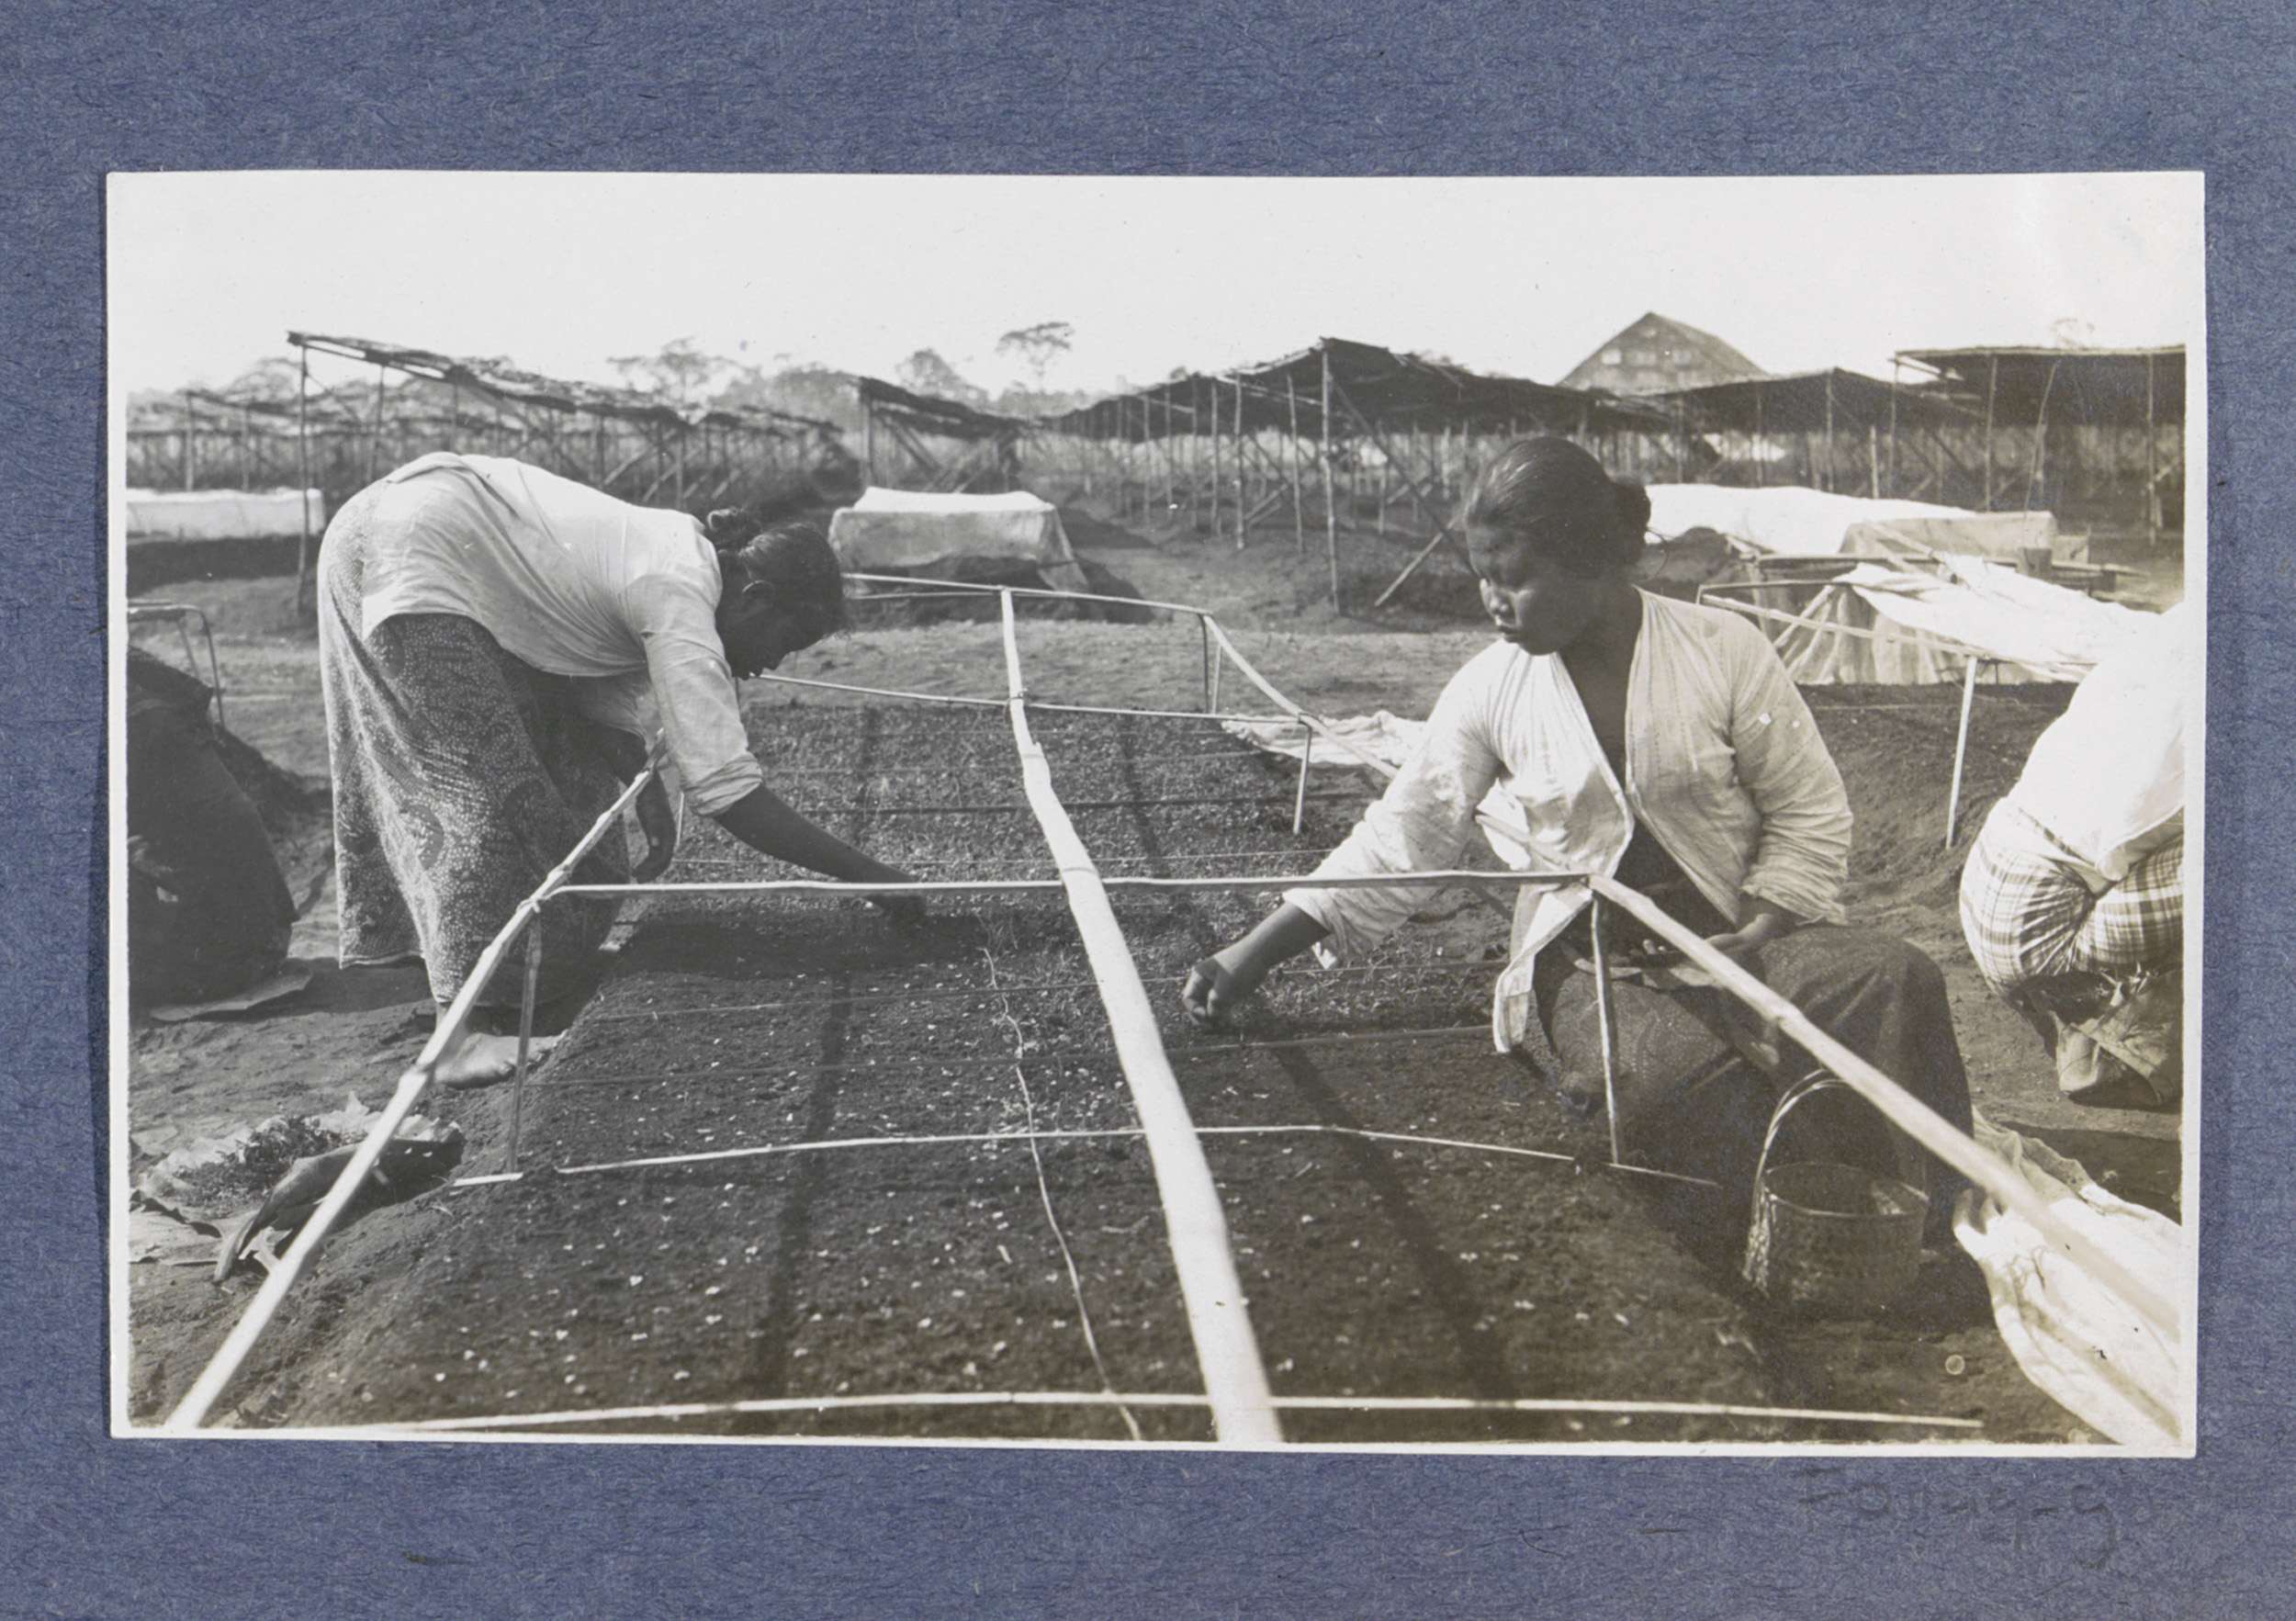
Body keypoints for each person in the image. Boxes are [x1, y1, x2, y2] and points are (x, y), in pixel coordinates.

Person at [1181, 436, 1974, 1227]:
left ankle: (1933, 1228)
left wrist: (1760, 926)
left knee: (1897, 980)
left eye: (1514, 579)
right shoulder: (1491, 688)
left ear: (1592, 559)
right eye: (1484, 577)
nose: (1493, 602)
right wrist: (1254, 951)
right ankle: (1785, 1199)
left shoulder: (1722, 649)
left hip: (1740, 939)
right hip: (1596, 964)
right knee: (1666, 1085)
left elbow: (1809, 807)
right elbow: (1407, 832)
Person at [319, 451, 920, 1086]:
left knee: (568, 776)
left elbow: (594, 683)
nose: (770, 664)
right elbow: (728, 791)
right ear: (756, 597)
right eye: (784, 641)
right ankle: (455, 1039)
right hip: (408, 552)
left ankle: (533, 977)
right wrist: (874, 878)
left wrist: (649, 795)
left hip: (422, 534)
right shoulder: (679, 593)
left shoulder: (682, 558)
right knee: (476, 794)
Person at [1958, 602, 2189, 1109]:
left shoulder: (2153, 652)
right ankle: (2130, 1052)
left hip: (1989, 888)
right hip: (2036, 928)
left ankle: (2096, 1036)